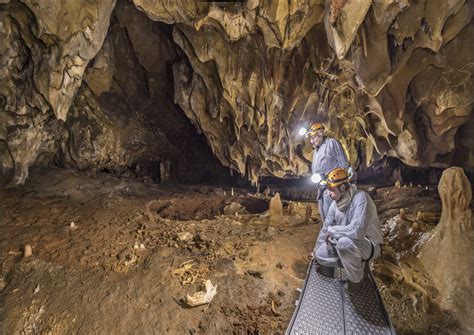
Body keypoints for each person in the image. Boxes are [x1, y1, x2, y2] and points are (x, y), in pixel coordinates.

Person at [313, 167, 383, 293]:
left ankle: (355, 283)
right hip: (348, 242)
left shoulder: (361, 198)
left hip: (368, 244)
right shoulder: (336, 204)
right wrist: (315, 249)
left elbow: (357, 231)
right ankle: (356, 264)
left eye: (332, 190)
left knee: (344, 243)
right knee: (320, 254)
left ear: (343, 188)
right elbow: (325, 228)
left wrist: (333, 231)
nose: (329, 194)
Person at [306, 123, 349, 222]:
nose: (311, 141)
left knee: (333, 217)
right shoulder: (316, 150)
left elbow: (343, 164)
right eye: (310, 138)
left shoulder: (331, 143)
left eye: (313, 138)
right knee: (324, 216)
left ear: (320, 134)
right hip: (321, 189)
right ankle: (328, 235)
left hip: (333, 188)